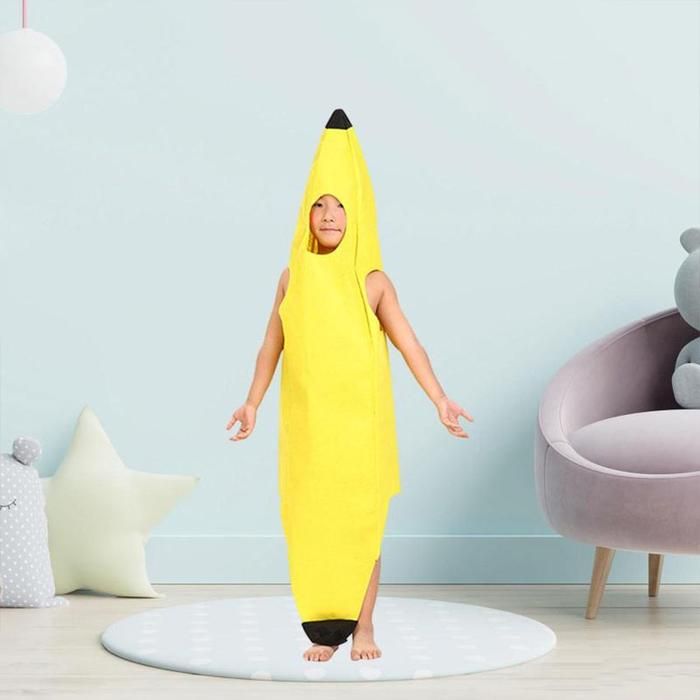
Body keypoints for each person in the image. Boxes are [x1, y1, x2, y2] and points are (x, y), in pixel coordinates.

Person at [226, 109, 473, 663]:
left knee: (361, 527)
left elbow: (410, 345)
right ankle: (323, 628)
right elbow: (271, 345)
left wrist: (439, 398)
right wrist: (252, 402)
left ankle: (363, 628)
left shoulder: (373, 281)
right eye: (320, 205)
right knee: (312, 523)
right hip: (308, 429)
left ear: (357, 214)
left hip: (360, 429)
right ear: (306, 215)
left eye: (340, 206)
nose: (330, 214)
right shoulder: (291, 277)